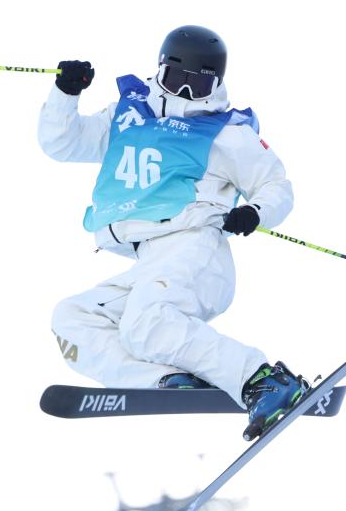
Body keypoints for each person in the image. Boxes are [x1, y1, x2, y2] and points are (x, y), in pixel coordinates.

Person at [38, 25, 308, 441]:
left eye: (197, 85)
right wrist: (65, 93)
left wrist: (255, 213)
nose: (184, 92)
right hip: (150, 259)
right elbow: (63, 143)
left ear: (215, 86)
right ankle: (165, 381)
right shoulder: (127, 116)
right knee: (73, 318)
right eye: (175, 78)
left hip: (195, 247)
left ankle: (262, 379)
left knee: (146, 322)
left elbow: (276, 186)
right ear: (159, 70)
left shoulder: (225, 132)